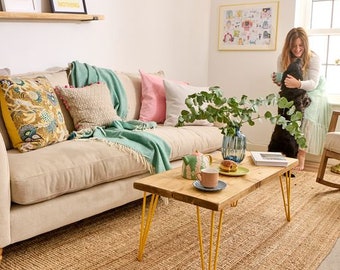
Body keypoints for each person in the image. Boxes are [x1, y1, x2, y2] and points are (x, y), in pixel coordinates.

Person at [272, 27, 331, 171]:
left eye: (300, 45)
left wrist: (298, 84)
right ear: (288, 46)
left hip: (313, 90)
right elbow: (284, 81)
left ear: (305, 44)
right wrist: (279, 80)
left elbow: (313, 83)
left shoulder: (313, 58)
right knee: (286, 115)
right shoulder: (283, 57)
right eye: (294, 46)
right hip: (293, 89)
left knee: (306, 116)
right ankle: (285, 152)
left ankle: (301, 156)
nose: (297, 49)